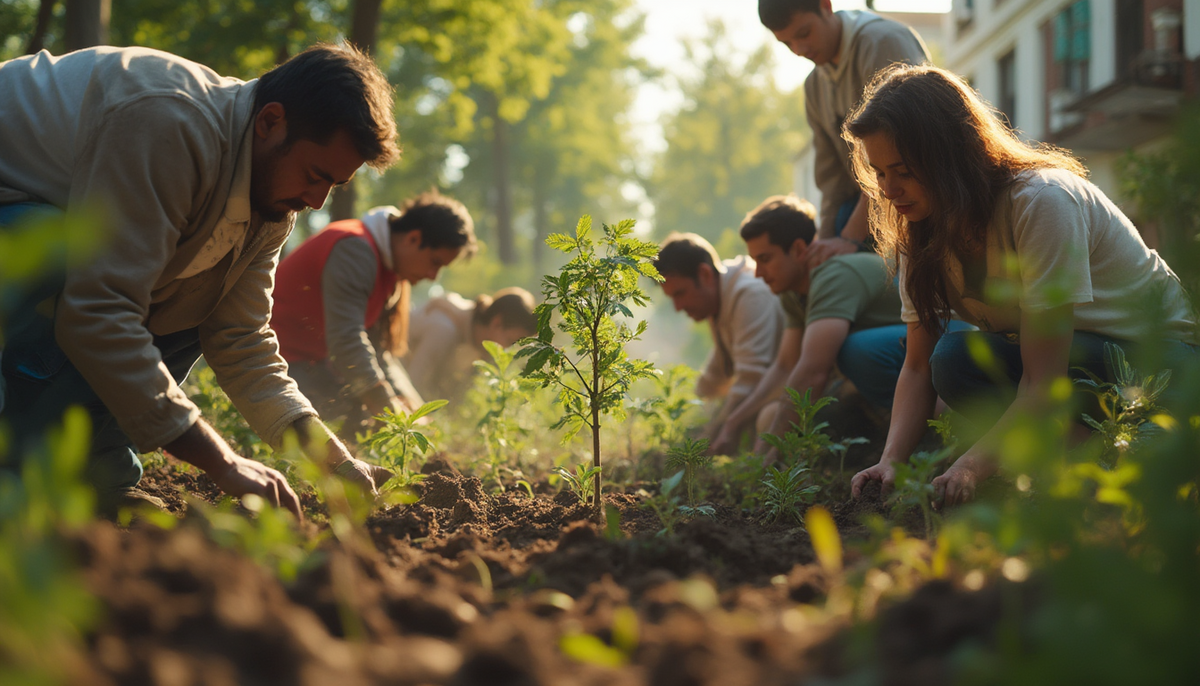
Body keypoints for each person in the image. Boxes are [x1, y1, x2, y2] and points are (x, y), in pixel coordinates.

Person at [0, 43, 399, 518]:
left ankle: (96, 475)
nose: (317, 201)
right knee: (59, 253)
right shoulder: (170, 123)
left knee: (194, 297)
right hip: (16, 205)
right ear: (271, 121)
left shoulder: (270, 205)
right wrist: (222, 462)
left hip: (60, 216)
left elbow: (241, 339)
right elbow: (98, 309)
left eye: (333, 185)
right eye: (315, 175)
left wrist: (335, 461)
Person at [844, 65, 1199, 507]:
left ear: (948, 154)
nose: (889, 189)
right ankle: (1089, 459)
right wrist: (891, 459)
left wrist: (969, 467)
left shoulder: (1041, 202)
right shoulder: (919, 231)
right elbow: (917, 367)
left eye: (903, 170)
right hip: (1076, 371)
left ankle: (1125, 457)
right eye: (879, 173)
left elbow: (1042, 382)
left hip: (1161, 366)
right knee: (952, 360)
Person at [712, 194, 934, 464]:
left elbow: (812, 371)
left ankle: (922, 431)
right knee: (770, 416)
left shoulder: (832, 275)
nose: (758, 273)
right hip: (875, 371)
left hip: (924, 352)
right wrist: (734, 422)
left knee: (854, 351)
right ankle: (873, 438)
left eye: (765, 259)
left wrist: (767, 456)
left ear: (797, 249)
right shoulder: (792, 291)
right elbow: (785, 366)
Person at [272, 193, 476, 433]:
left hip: (314, 363)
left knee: (361, 424)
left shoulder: (388, 270)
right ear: (413, 238)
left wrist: (413, 408)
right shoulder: (355, 250)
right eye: (435, 262)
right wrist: (388, 408)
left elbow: (378, 350)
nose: (433, 276)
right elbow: (347, 342)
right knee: (345, 431)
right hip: (274, 362)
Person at [758, 0, 929, 267]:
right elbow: (831, 180)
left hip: (912, 199)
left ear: (825, 6)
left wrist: (849, 239)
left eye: (804, 33)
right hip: (860, 210)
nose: (799, 50)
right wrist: (823, 249)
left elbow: (902, 150)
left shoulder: (883, 42)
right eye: (787, 44)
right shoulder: (814, 85)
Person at [654, 233, 785, 446]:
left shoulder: (749, 295)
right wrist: (687, 416)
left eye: (680, 293)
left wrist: (711, 434)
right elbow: (717, 372)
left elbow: (751, 379)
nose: (678, 307)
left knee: (766, 420)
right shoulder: (720, 301)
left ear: (705, 274)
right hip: (774, 392)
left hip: (812, 397)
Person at [404, 287, 537, 402]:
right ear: (496, 323)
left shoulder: (476, 343)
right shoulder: (443, 330)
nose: (507, 349)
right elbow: (410, 388)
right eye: (510, 341)